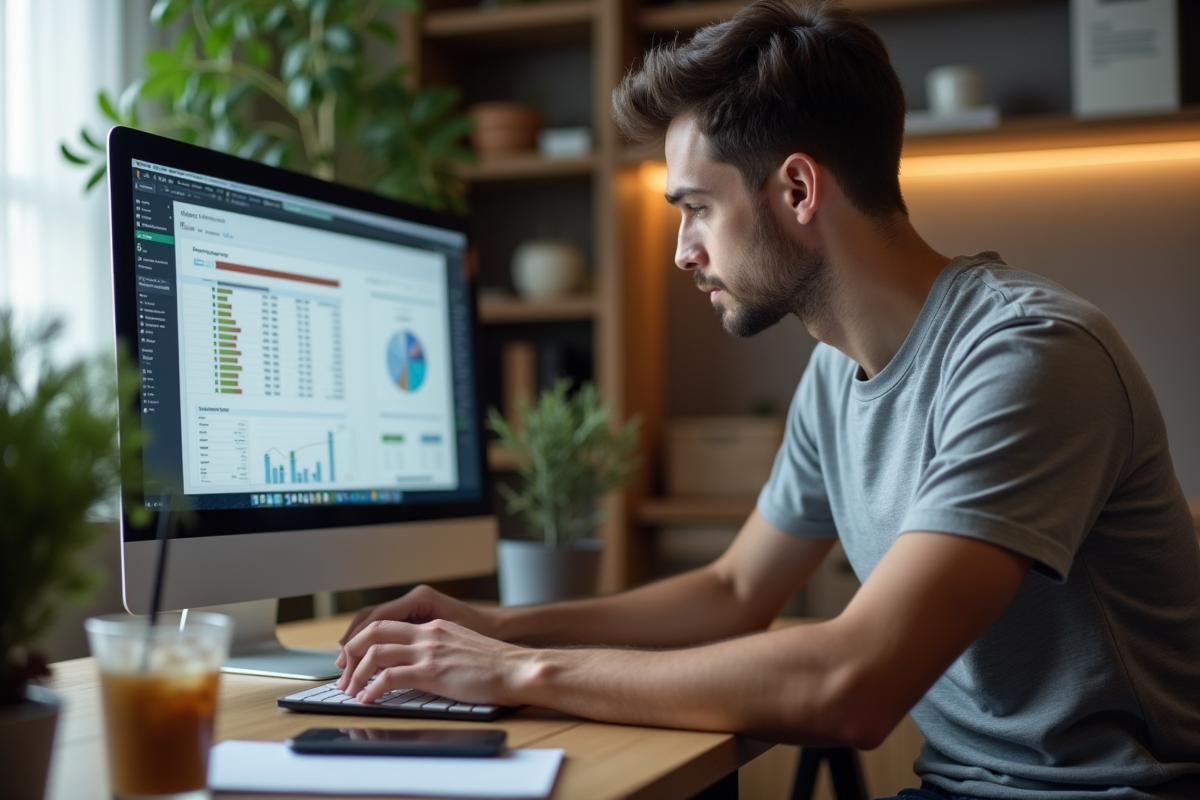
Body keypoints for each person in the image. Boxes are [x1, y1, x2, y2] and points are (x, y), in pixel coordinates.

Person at [335, 1, 1200, 797]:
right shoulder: (835, 370)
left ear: (796, 190)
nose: (682, 252)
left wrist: (517, 673)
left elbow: (851, 686)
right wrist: (501, 627)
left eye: (697, 209)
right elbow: (733, 589)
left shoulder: (1026, 357)